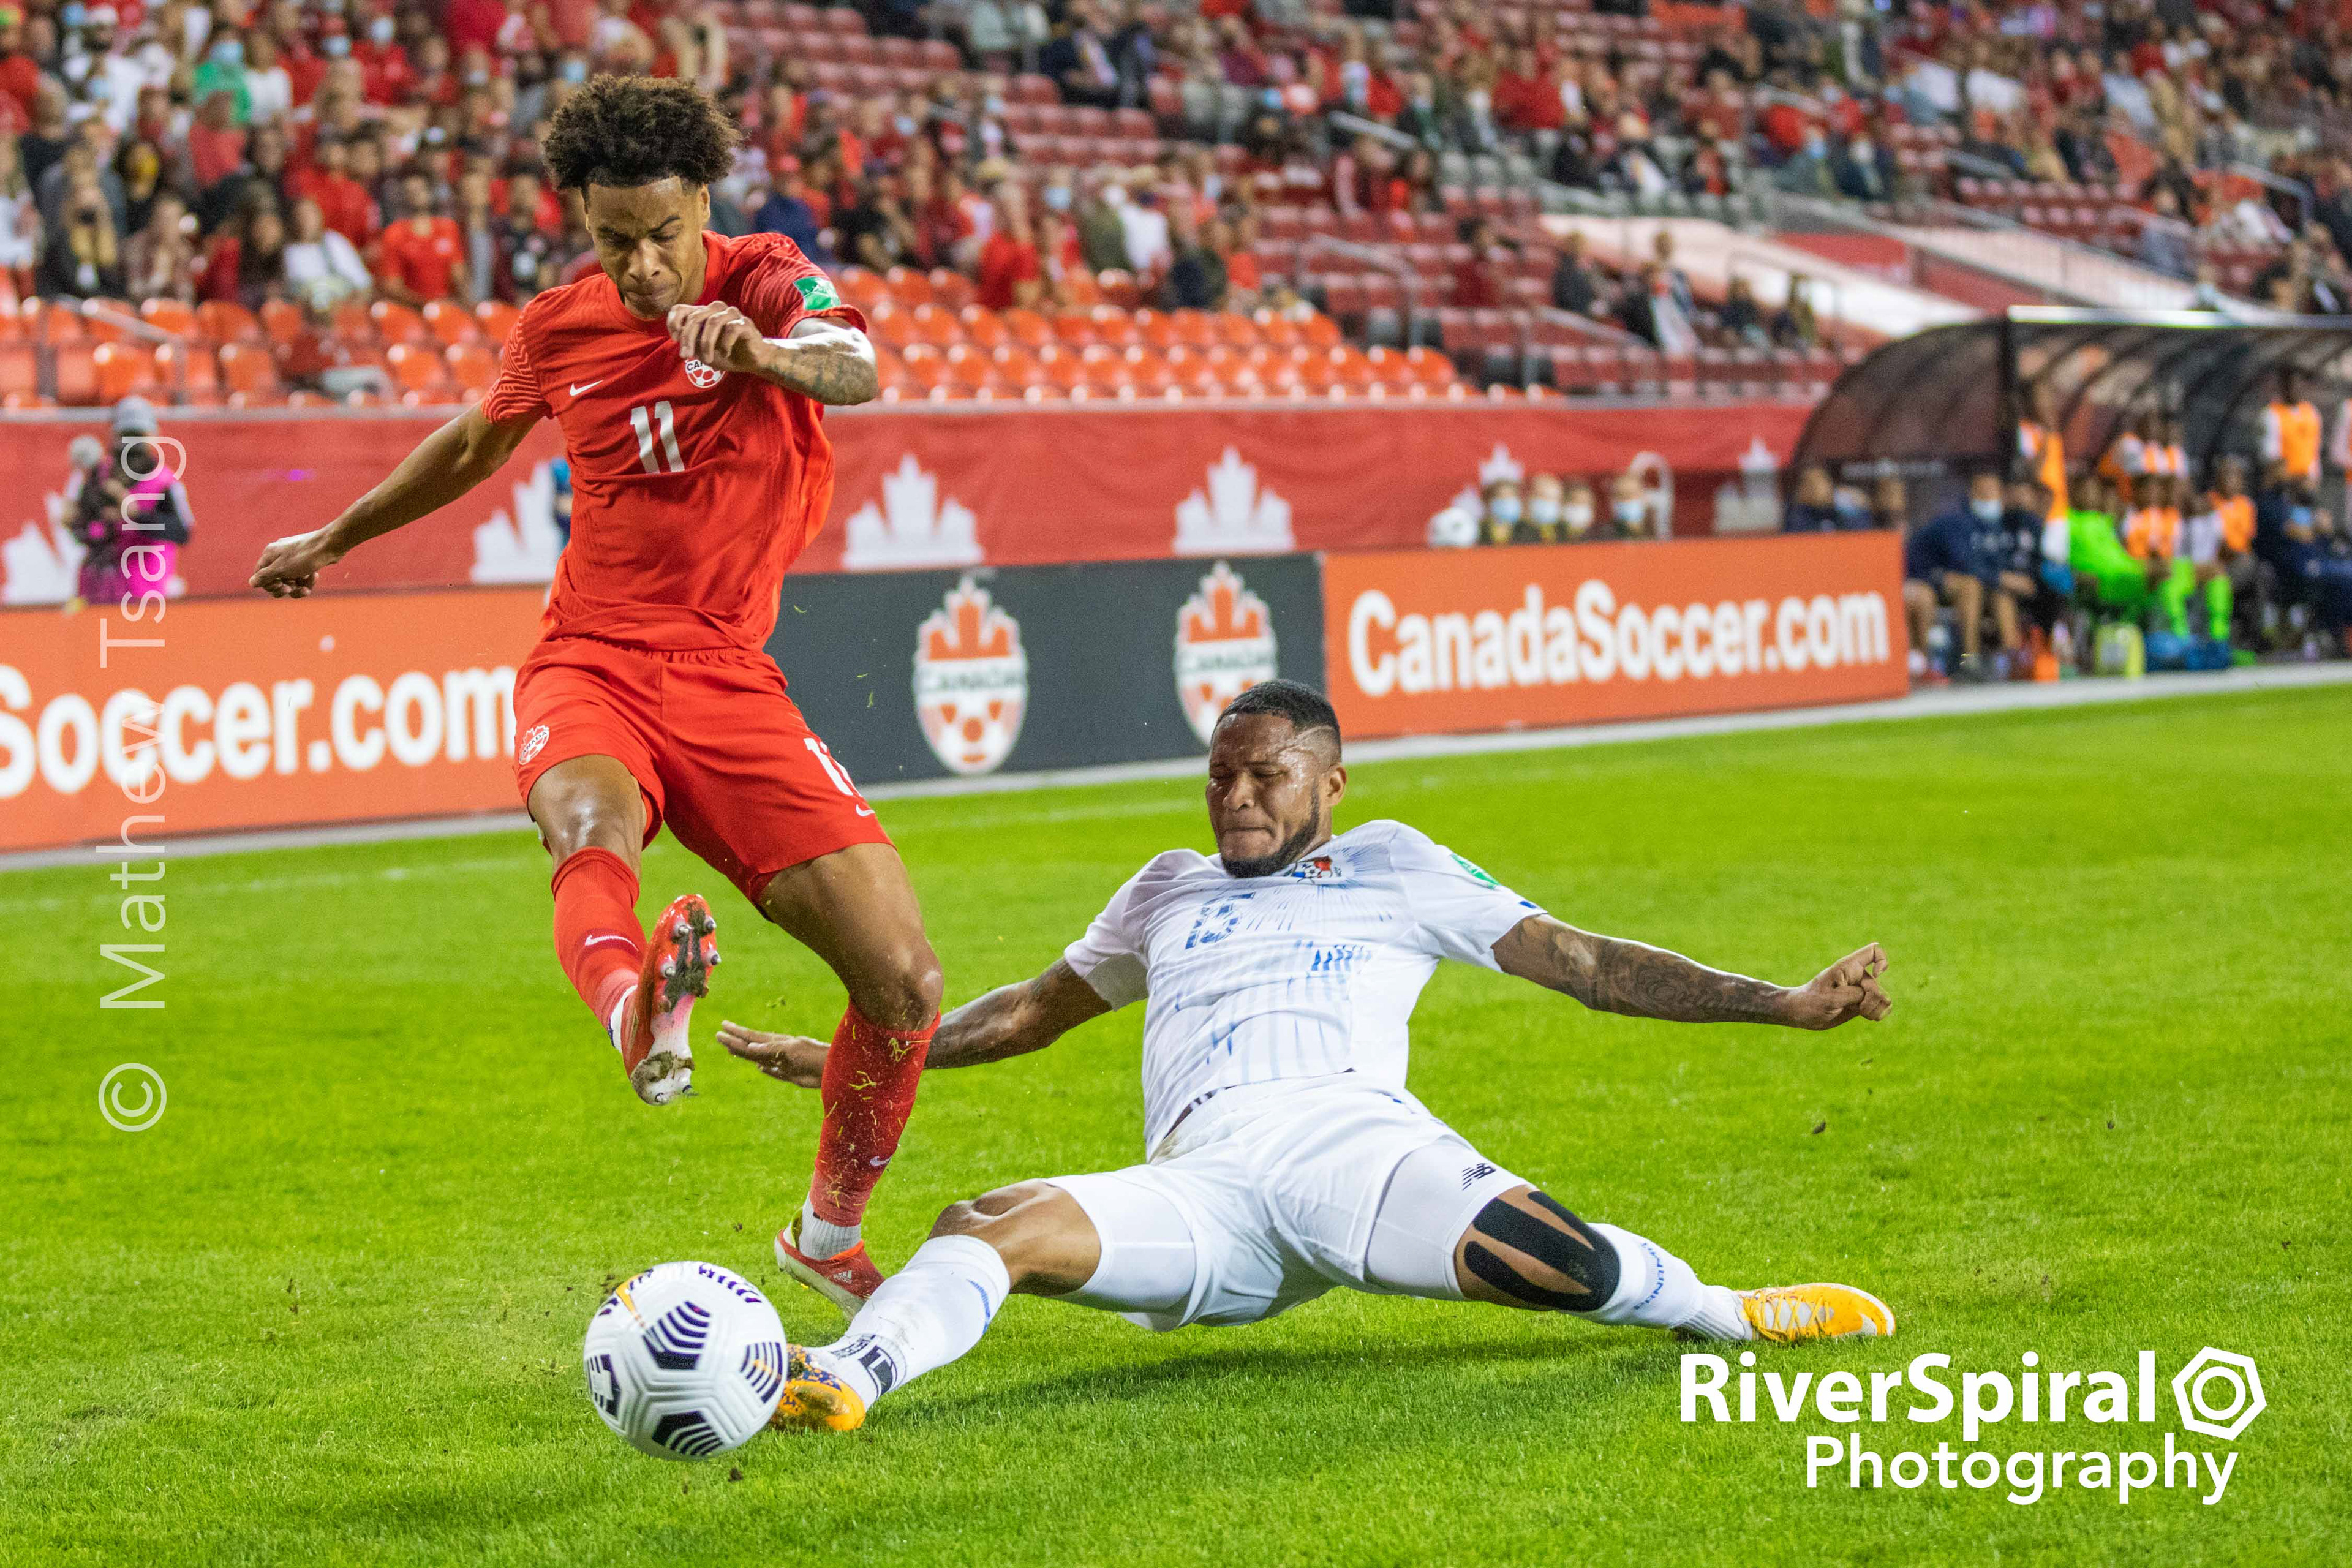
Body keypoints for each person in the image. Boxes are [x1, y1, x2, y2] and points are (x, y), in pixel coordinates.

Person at [723, 681, 1896, 1433]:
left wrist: (1783, 1004)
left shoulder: (1393, 862)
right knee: (985, 1224)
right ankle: (845, 1376)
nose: (1234, 798)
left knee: (1566, 1269)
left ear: (1329, 786)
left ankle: (1733, 1315)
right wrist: (859, 1058)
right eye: (1221, 776)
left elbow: (1586, 964)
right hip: (1200, 1184)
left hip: (1351, 1143)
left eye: (1264, 777)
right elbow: (1030, 1012)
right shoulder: (1164, 891)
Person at [247, 75, 943, 1317]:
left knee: (903, 983)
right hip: (594, 656)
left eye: (661, 233)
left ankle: (827, 1235)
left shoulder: (766, 274)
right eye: (611, 236)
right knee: (588, 823)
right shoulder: (558, 326)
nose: (640, 263)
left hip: (730, 680)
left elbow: (858, 368)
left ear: (703, 207)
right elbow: (471, 443)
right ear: (580, 214)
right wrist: (333, 537)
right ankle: (637, 1010)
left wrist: (764, 352)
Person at [1902, 471, 2011, 681]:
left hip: (1966, 583)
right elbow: (1965, 566)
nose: (1989, 498)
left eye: (1993, 492)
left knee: (2003, 595)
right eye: (1983, 493)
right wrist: (2002, 578)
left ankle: (2013, 660)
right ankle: (1968, 659)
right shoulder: (1956, 522)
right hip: (1926, 577)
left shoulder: (2001, 526)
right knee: (1971, 586)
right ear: (1971, 494)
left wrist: (2004, 579)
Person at [2261, 369, 2322, 491]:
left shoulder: (2312, 412)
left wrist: (2313, 478)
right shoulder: (2271, 414)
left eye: (2299, 384)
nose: (2295, 389)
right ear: (2283, 386)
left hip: (2307, 484)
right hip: (2283, 485)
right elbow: (2269, 455)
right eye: (2291, 384)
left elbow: (2314, 452)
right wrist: (2290, 478)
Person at [1782, 464, 1840, 532]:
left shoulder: (1832, 512)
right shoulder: (1797, 515)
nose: (1826, 490)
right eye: (1817, 486)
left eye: (1827, 484)